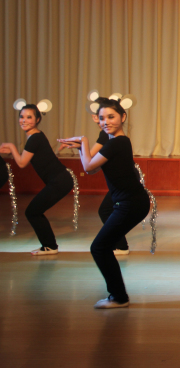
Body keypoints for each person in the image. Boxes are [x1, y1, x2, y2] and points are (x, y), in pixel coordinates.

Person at [58, 98, 150, 308]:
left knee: (99, 248)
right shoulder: (116, 143)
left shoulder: (117, 142)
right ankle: (118, 295)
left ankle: (119, 297)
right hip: (130, 201)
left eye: (111, 117)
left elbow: (88, 167)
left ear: (123, 117)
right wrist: (81, 147)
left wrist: (83, 140)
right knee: (102, 247)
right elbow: (92, 167)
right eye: (101, 118)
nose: (105, 122)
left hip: (131, 202)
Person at [1, 104, 74, 255]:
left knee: (32, 212)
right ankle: (50, 246)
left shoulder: (34, 138)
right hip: (60, 180)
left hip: (59, 181)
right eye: (21, 117)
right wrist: (12, 150)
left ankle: (50, 246)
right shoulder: (36, 136)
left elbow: (22, 163)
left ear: (37, 119)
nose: (24, 120)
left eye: (29, 117)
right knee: (34, 212)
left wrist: (12, 147)